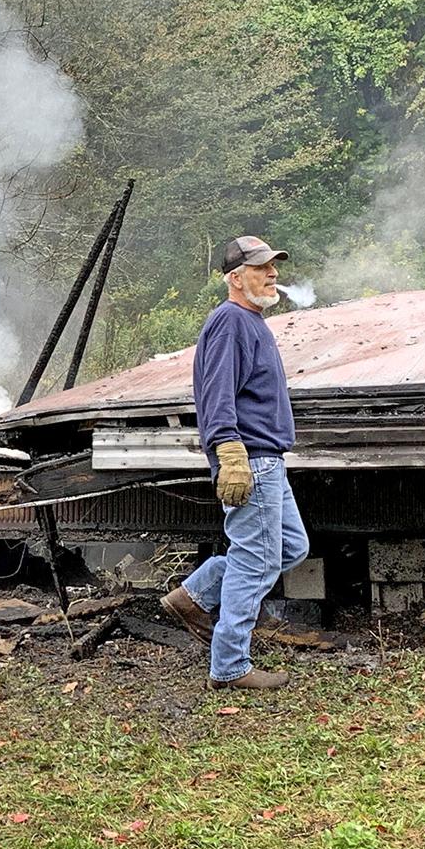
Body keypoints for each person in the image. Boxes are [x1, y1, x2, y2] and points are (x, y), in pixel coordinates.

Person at [159, 236, 309, 690]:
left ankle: (194, 596)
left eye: (274, 267)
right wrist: (229, 452)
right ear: (235, 277)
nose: (273, 274)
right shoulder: (229, 322)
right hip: (251, 462)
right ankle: (230, 667)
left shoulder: (252, 322)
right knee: (255, 562)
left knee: (289, 548)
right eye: (262, 267)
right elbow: (215, 393)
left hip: (269, 461)